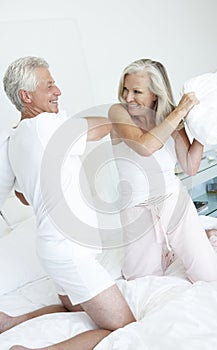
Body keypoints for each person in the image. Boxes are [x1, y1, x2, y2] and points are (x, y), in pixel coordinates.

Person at [0, 56, 135, 350]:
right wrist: (118, 114)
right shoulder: (45, 125)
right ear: (26, 96)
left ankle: (13, 322)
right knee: (125, 327)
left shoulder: (15, 139)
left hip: (52, 250)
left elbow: (23, 196)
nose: (58, 91)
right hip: (69, 251)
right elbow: (99, 128)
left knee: (77, 309)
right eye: (49, 85)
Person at [108, 58, 217, 282]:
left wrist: (205, 130)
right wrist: (181, 110)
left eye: (136, 91)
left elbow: (190, 166)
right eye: (125, 89)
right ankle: (166, 249)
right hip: (137, 209)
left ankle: (211, 239)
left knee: (211, 277)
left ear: (155, 93)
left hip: (174, 202)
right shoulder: (118, 112)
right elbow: (144, 146)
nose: (128, 97)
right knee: (140, 278)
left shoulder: (170, 117)